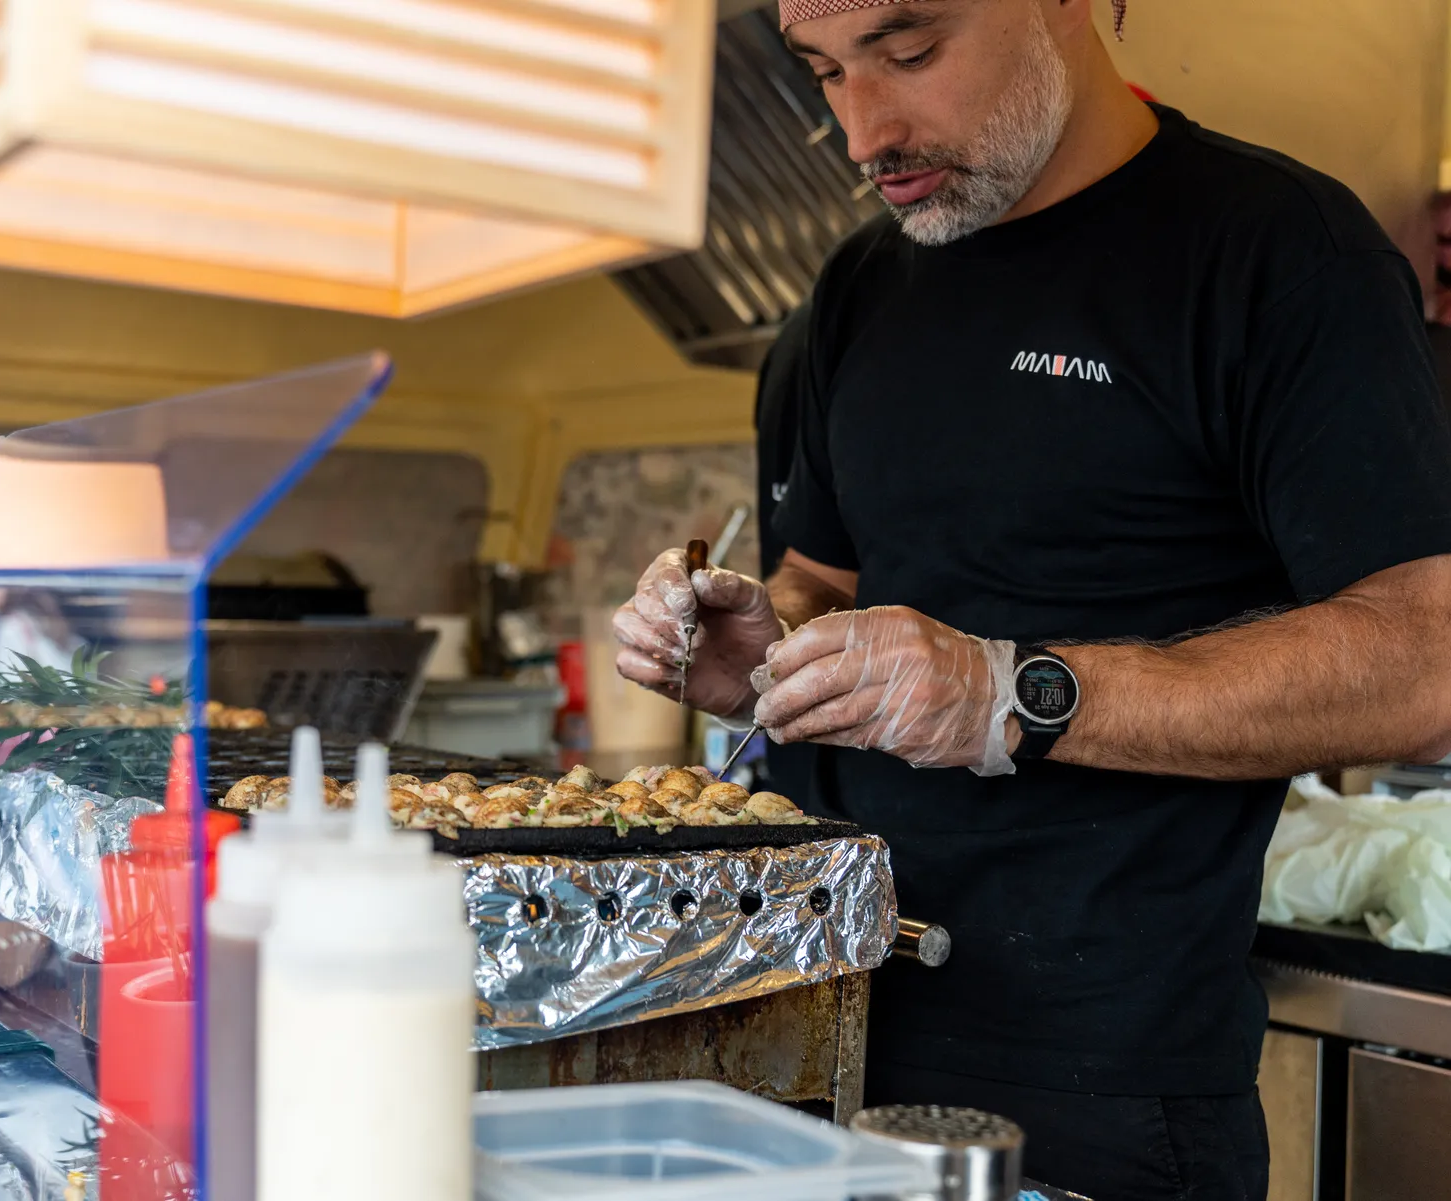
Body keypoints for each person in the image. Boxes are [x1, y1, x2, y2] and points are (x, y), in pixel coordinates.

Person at [612, 1, 1451, 1197]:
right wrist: (761, 646)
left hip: (1097, 1079)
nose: (862, 133)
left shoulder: (1275, 251)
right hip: (802, 1016)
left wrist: (1012, 695)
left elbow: (1422, 664)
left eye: (908, 51)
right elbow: (825, 580)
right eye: (824, 72)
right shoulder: (860, 284)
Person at [751, 303, 820, 810]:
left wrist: (992, 688)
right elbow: (819, 569)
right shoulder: (815, 332)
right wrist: (767, 638)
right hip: (810, 793)